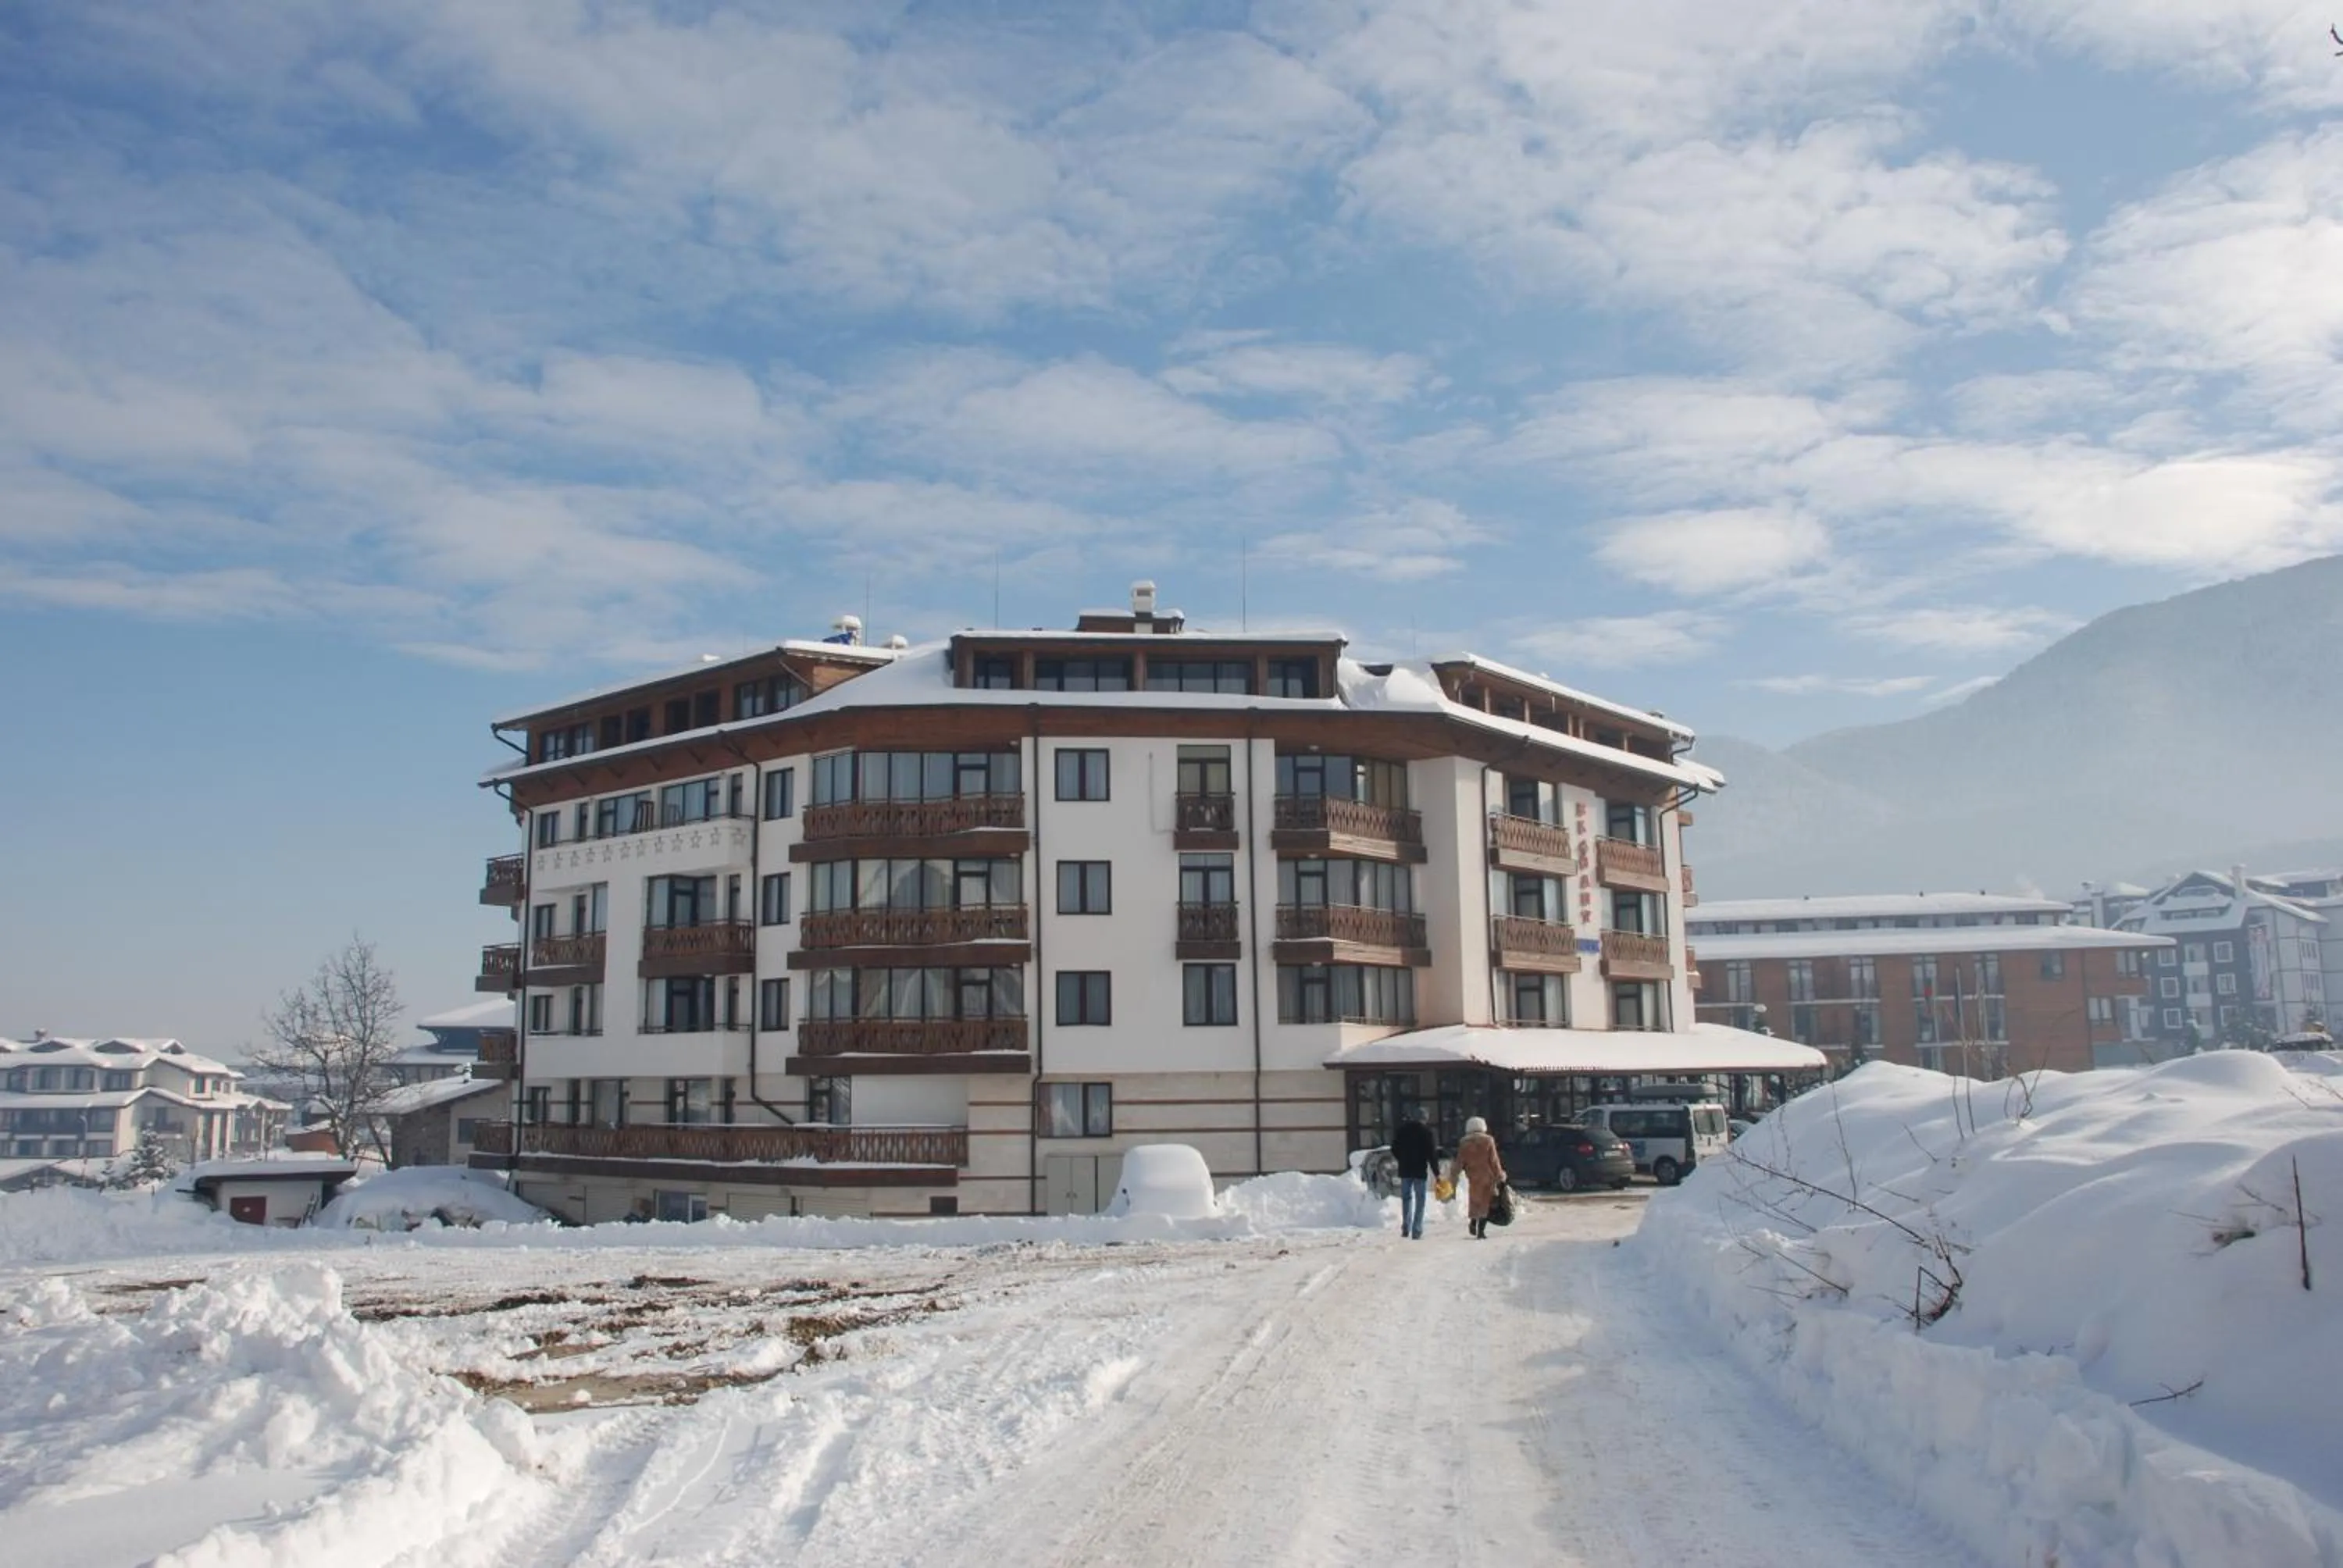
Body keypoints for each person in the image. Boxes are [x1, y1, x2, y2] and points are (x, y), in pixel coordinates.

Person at [1453, 1116, 1507, 1239]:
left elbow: (1459, 1162)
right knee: (1485, 1204)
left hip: (1473, 1176)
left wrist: (1454, 1174)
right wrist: (1500, 1175)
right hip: (1488, 1177)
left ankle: (1473, 1222)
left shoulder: (1464, 1143)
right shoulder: (1488, 1141)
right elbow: (1494, 1160)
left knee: (1475, 1201)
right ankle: (1481, 1231)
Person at [1389, 1114, 1438, 1239]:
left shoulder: (1402, 1130)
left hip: (1405, 1170)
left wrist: (1402, 1158)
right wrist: (1437, 1173)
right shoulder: (1427, 1132)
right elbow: (1431, 1154)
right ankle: (1417, 1230)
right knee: (1420, 1200)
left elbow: (1394, 1148)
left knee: (1406, 1198)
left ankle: (1406, 1227)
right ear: (1424, 1119)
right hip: (1420, 1170)